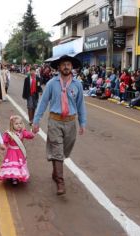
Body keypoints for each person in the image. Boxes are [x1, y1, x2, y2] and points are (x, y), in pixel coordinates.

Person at [32, 55, 87, 195]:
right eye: (64, 64)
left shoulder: (77, 85)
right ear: (59, 67)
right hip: (55, 121)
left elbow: (81, 105)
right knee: (57, 150)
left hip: (70, 122)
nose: (66, 67)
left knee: (64, 151)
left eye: (69, 64)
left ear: (72, 67)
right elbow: (43, 102)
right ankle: (60, 182)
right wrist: (36, 121)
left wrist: (82, 123)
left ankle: (55, 172)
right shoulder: (51, 83)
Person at [0, 115, 35, 185]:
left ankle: (16, 176)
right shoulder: (9, 133)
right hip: (11, 151)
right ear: (12, 125)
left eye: (20, 123)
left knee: (18, 164)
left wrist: (33, 133)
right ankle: (12, 176)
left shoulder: (23, 132)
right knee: (12, 164)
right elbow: (4, 141)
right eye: (16, 124)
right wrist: (3, 145)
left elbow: (30, 135)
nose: (19, 125)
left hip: (20, 152)